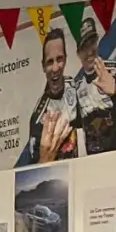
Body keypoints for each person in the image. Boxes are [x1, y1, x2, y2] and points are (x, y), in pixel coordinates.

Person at [73, 15, 116, 154]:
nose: (90, 50)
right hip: (91, 165)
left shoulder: (114, 70)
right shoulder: (76, 88)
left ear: (97, 42)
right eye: (85, 46)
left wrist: (115, 93)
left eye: (92, 42)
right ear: (78, 53)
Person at [17, 26, 78, 165]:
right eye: (50, 62)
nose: (55, 68)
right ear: (43, 66)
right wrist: (46, 157)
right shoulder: (38, 118)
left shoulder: (77, 88)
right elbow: (35, 169)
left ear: (66, 59)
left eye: (59, 59)